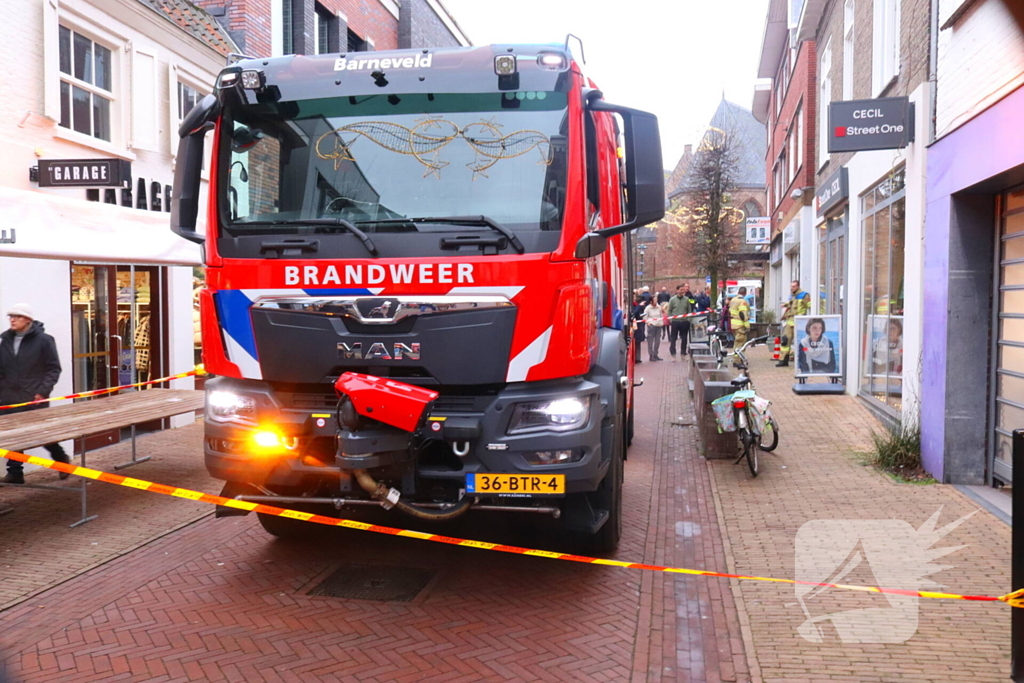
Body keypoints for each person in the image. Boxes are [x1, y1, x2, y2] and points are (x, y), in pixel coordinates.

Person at [0, 304, 70, 483]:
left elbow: (53, 369)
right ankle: (15, 472)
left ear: (28, 320)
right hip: (8, 396)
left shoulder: (44, 340)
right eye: (11, 316)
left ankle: (62, 460)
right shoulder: (5, 340)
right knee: (13, 435)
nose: (12, 320)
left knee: (41, 434)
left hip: (34, 397)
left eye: (17, 316)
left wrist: (42, 391)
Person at [777, 279, 811, 367]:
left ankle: (803, 361)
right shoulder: (792, 296)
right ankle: (783, 360)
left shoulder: (804, 295)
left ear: (798, 286)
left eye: (793, 286)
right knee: (785, 340)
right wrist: (785, 305)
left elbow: (810, 305)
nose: (792, 288)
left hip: (800, 321)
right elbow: (791, 304)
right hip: (790, 321)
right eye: (791, 286)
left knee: (802, 342)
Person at [667, 284, 693, 359]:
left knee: (684, 338)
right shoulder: (672, 299)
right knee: (673, 338)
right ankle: (673, 354)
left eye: (683, 290)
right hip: (675, 321)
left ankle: (683, 354)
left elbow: (689, 310)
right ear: (677, 290)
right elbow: (669, 310)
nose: (682, 291)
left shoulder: (687, 299)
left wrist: (688, 319)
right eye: (681, 290)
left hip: (684, 321)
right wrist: (671, 320)